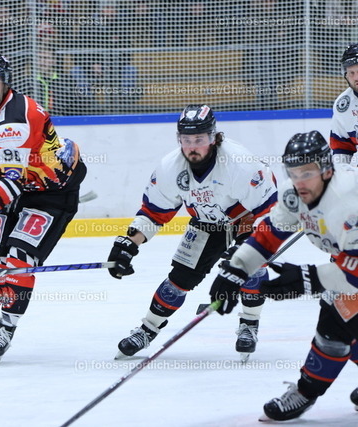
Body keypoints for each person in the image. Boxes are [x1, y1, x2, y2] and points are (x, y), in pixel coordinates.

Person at [108, 104, 277, 361]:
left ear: (213, 137)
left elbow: (268, 213)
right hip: (206, 221)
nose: (192, 147)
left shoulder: (239, 163)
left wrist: (249, 248)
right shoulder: (170, 167)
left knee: (251, 267)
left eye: (199, 139)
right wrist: (128, 244)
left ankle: (249, 324)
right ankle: (147, 329)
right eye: (186, 140)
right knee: (179, 280)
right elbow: (154, 212)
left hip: (246, 219)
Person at [209, 131, 358, 421]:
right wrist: (235, 270)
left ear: (327, 170)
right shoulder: (294, 194)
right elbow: (268, 235)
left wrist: (308, 278)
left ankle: (306, 391)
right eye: (294, 172)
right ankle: (306, 391)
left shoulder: (348, 200)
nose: (299, 181)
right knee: (338, 317)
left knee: (341, 314)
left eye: (307, 172)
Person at [0, 54, 86, 365]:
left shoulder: (15, 120)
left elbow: (12, 179)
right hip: (20, 187)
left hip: (52, 192)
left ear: (6, 82)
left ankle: (5, 328)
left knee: (19, 260)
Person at [330, 43, 358, 164]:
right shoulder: (343, 105)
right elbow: (342, 148)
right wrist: (343, 172)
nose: (356, 78)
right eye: (351, 73)